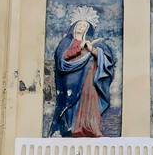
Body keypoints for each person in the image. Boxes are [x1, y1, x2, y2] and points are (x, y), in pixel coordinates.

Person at [49, 7, 116, 137]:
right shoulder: (66, 42)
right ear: (74, 26)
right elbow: (62, 61)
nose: (81, 27)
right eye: (79, 24)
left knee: (89, 101)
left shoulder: (93, 43)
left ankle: (89, 127)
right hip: (71, 81)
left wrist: (92, 50)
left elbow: (106, 60)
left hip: (88, 79)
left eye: (84, 26)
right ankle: (70, 127)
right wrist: (79, 48)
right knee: (70, 103)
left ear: (87, 29)